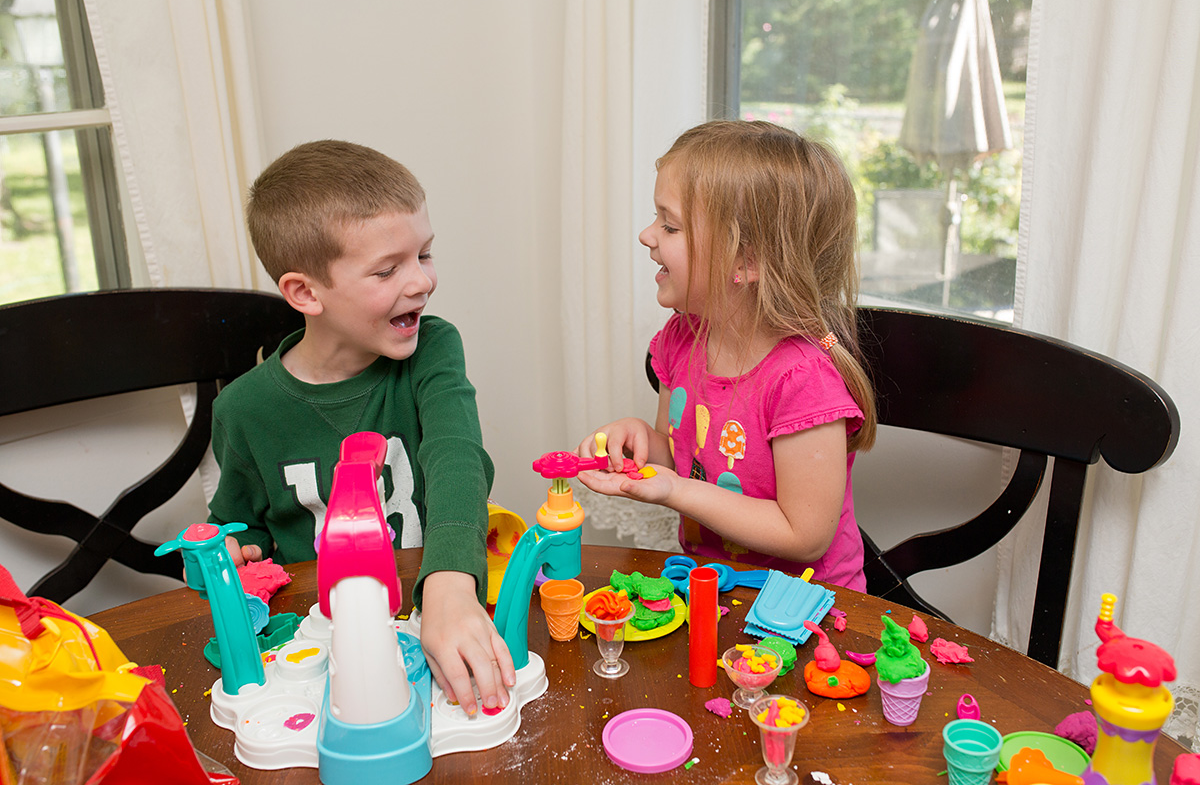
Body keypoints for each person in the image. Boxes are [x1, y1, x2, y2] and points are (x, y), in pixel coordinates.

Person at [207, 140, 514, 714]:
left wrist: (449, 583)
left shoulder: (434, 349)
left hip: (438, 611)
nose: (422, 282)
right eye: (387, 269)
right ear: (305, 292)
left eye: (424, 254)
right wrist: (227, 554)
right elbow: (235, 528)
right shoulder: (244, 410)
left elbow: (457, 456)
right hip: (317, 649)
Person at [575, 120, 876, 590]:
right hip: (709, 590)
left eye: (669, 225)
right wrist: (642, 443)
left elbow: (805, 535)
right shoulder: (682, 339)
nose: (646, 235)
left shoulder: (802, 380)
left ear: (746, 262)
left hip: (805, 609)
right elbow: (679, 460)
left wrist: (676, 491)